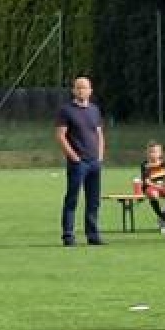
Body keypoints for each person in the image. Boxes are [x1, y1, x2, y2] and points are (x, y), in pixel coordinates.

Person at [55, 74, 106, 247]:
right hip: (78, 163)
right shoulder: (66, 110)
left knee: (93, 200)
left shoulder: (94, 110)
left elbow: (99, 134)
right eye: (78, 87)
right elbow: (60, 136)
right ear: (73, 90)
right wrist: (74, 157)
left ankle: (93, 235)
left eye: (84, 87)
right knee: (72, 198)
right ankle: (68, 235)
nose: (81, 90)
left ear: (90, 91)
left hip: (94, 162)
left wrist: (100, 156)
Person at [139, 142, 165, 233]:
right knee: (153, 194)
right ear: (147, 153)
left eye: (155, 152)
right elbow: (147, 181)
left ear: (160, 153)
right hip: (150, 187)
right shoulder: (145, 165)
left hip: (162, 187)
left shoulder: (164, 164)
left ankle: (163, 218)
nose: (153, 154)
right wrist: (159, 187)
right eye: (151, 152)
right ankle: (162, 218)